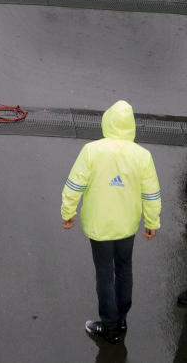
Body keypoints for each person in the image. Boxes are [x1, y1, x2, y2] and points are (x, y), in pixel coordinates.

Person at [61, 100, 161, 344]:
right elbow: (151, 193)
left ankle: (108, 325)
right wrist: (151, 222)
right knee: (124, 268)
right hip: (127, 225)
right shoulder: (143, 155)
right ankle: (122, 316)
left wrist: (68, 212)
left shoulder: (92, 150)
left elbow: (75, 185)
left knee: (105, 273)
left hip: (99, 226)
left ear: (107, 121)